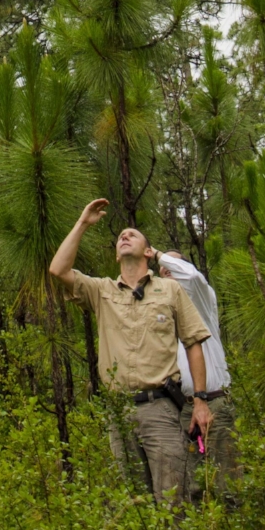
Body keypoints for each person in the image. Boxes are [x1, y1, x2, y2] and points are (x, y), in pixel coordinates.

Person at [49, 199, 213, 503]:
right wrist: (83, 223)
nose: (124, 236)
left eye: (132, 234)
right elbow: (58, 269)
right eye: (120, 236)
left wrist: (201, 401)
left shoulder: (170, 290)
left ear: (148, 253)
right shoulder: (101, 291)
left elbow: (193, 343)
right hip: (119, 413)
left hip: (162, 409)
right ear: (116, 254)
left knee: (172, 504)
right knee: (133, 507)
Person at [149, 246, 238, 492]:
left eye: (173, 265)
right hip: (178, 408)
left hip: (213, 403)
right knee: (190, 487)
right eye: (162, 270)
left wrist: (157, 255)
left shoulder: (201, 298)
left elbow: (191, 277)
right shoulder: (162, 314)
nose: (166, 269)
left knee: (226, 485)